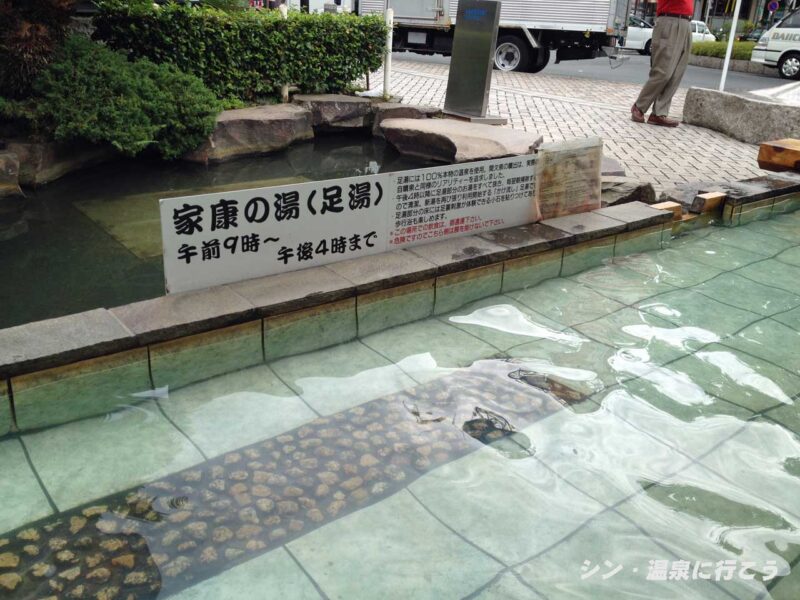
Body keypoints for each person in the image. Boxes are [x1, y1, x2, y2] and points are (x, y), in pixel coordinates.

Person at [631, 0, 693, 127]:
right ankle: (639, 107)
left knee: (677, 72)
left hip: (686, 23)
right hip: (669, 21)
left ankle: (659, 113)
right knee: (663, 71)